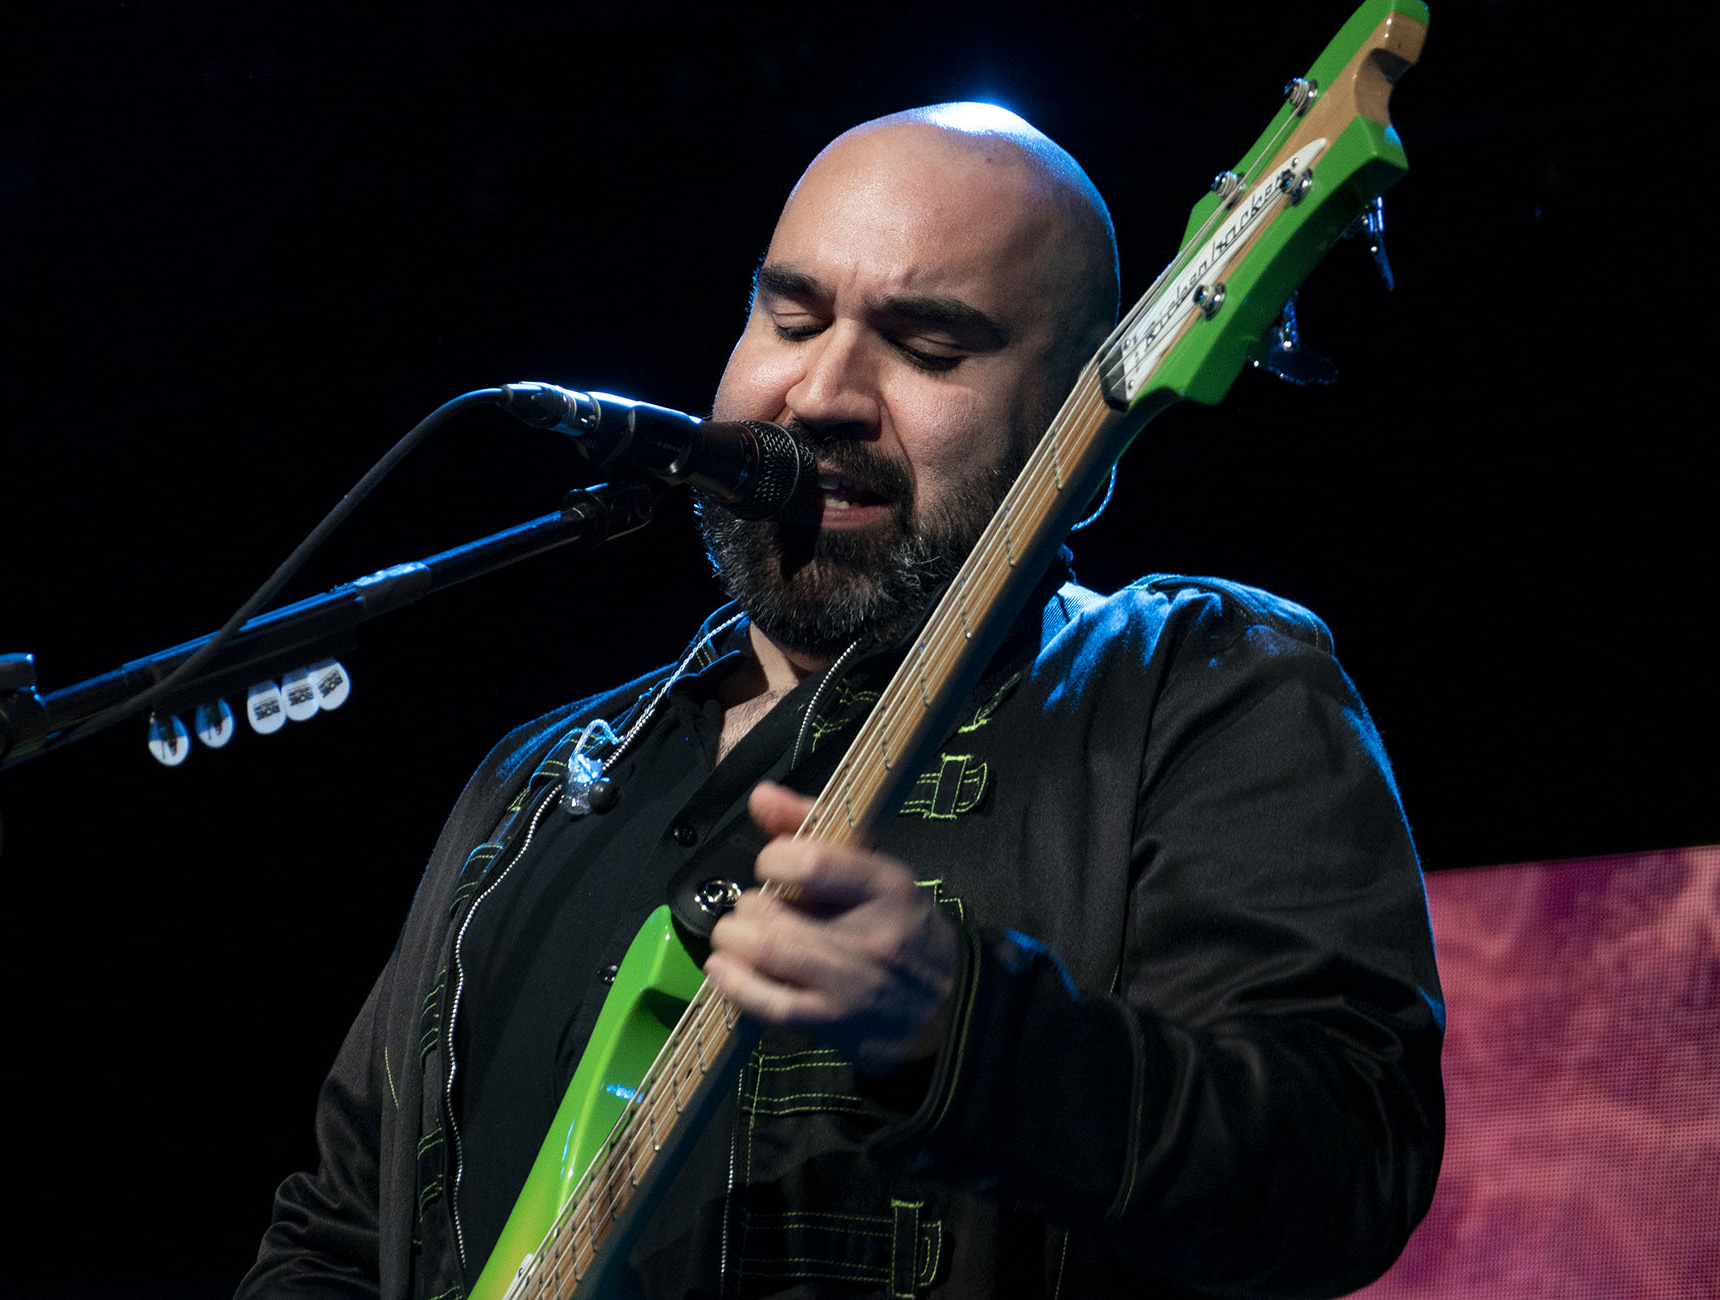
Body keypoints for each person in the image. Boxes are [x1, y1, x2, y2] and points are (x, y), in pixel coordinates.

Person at [238, 104, 1444, 1300]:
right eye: (793, 315)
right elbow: (342, 1236)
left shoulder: (1190, 685)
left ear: (1089, 429)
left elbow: (1345, 1160)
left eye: (928, 347)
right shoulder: (535, 782)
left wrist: (967, 1028)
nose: (823, 392)